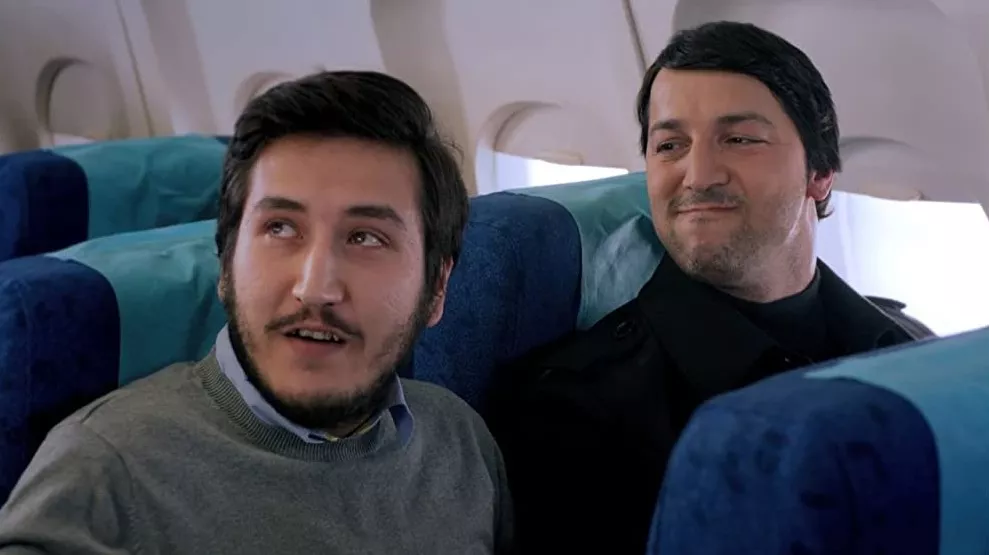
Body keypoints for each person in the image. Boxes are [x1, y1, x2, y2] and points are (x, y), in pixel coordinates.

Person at [0, 71, 513, 554]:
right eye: (280, 228)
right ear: (225, 265)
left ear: (437, 288)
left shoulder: (459, 442)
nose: (315, 289)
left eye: (365, 238)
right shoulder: (105, 473)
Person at [489, 21, 924, 555]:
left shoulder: (908, 348)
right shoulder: (574, 411)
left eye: (739, 140)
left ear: (820, 172)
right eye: (670, 145)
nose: (698, 175)